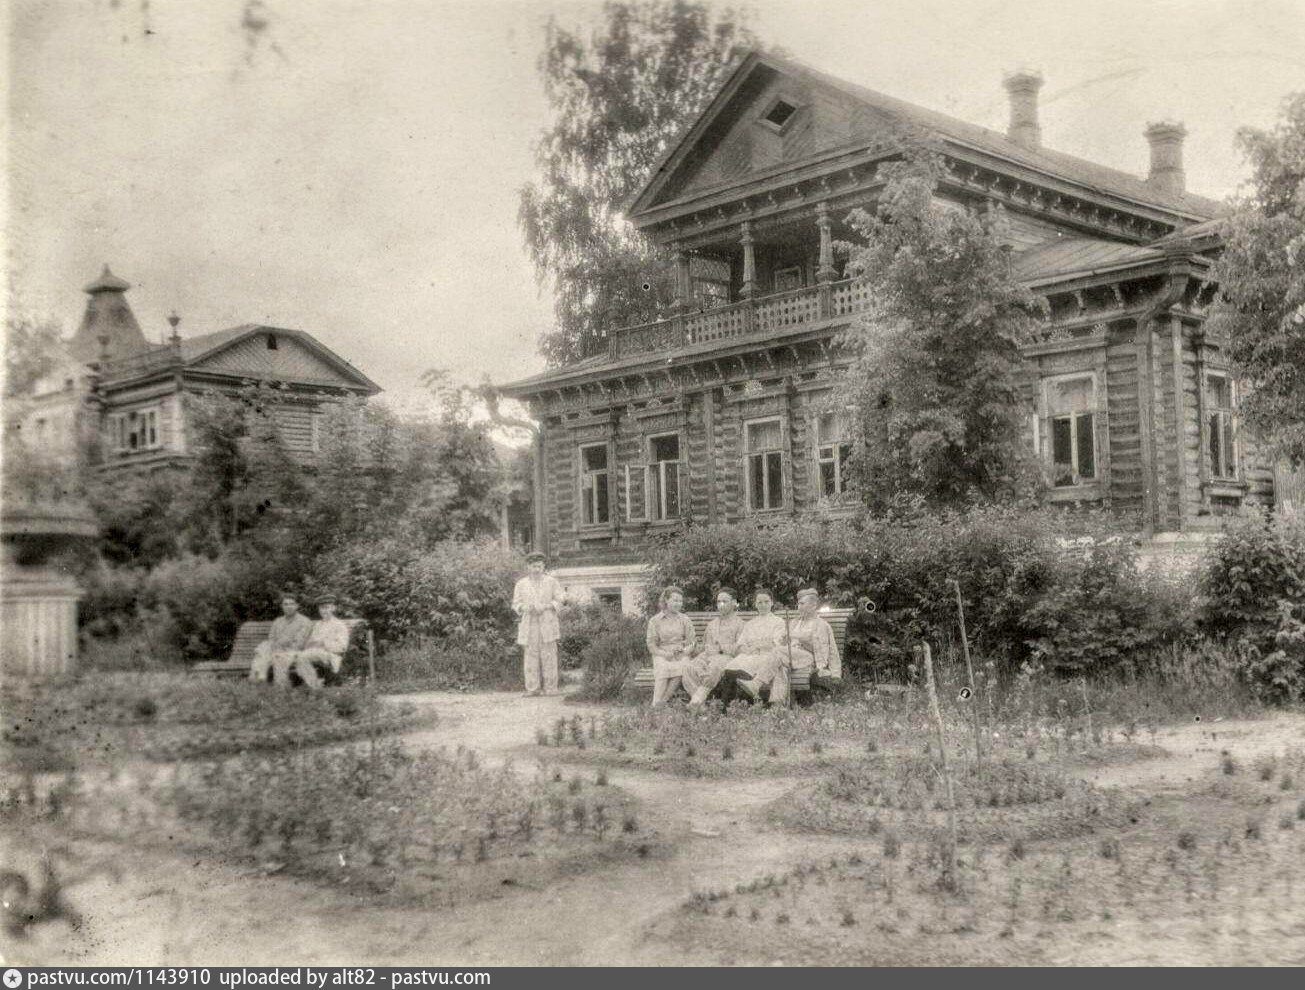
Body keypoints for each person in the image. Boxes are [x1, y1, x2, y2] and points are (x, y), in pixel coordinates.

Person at [769, 587, 839, 705]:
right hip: (791, 658)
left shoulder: (822, 625)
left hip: (808, 659)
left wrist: (836, 674)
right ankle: (779, 704)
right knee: (780, 667)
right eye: (798, 604)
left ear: (813, 605)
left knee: (776, 653)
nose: (798, 607)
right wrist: (784, 639)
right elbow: (783, 642)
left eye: (802, 604)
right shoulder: (794, 622)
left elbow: (832, 650)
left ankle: (757, 682)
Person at [720, 589, 789, 702]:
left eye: (766, 602)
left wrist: (756, 647)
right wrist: (746, 650)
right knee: (730, 669)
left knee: (746, 667)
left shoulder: (778, 622)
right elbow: (741, 644)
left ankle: (751, 701)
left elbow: (775, 643)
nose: (763, 605)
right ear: (756, 604)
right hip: (749, 655)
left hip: (768, 657)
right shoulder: (750, 624)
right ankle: (727, 706)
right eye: (760, 603)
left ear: (772, 603)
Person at [512, 552, 565, 696]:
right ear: (528, 567)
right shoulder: (521, 584)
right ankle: (532, 688)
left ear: (543, 566)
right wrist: (524, 608)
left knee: (549, 655)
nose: (536, 569)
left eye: (539, 566)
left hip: (547, 621)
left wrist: (547, 606)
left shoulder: (551, 582)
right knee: (531, 656)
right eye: (533, 566)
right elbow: (516, 604)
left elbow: (560, 600)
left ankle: (551, 688)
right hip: (530, 623)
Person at [683, 587, 745, 707]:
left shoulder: (740, 624)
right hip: (707, 655)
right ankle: (701, 705)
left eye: (725, 601)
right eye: (718, 601)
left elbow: (740, 649)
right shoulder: (712, 624)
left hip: (726, 657)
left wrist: (721, 648)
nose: (721, 605)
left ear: (734, 603)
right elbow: (704, 646)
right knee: (688, 667)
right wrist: (693, 647)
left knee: (715, 666)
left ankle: (697, 700)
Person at [646, 585, 696, 706]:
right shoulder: (655, 620)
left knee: (685, 666)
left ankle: (660, 704)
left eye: (680, 601)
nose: (678, 604)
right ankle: (657, 702)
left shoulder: (685, 619)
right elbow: (651, 645)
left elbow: (692, 641)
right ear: (666, 600)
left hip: (680, 654)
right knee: (663, 668)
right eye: (675, 600)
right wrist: (665, 654)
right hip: (661, 654)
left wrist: (684, 650)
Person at [290, 594, 352, 689]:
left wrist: (323, 643)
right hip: (315, 654)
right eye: (321, 608)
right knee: (294, 655)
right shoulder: (318, 625)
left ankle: (313, 686)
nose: (324, 611)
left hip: (331, 656)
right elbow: (310, 643)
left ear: (333, 608)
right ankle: (307, 684)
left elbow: (342, 647)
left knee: (302, 657)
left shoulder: (339, 625)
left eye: (327, 608)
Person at [249, 593, 314, 685]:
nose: (289, 607)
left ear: (297, 606)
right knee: (263, 650)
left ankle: (265, 680)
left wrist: (279, 646)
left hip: (294, 653)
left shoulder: (305, 622)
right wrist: (275, 646)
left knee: (270, 654)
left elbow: (299, 644)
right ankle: (258, 680)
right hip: (275, 651)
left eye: (292, 604)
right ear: (282, 606)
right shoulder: (278, 621)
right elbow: (271, 639)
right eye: (286, 604)